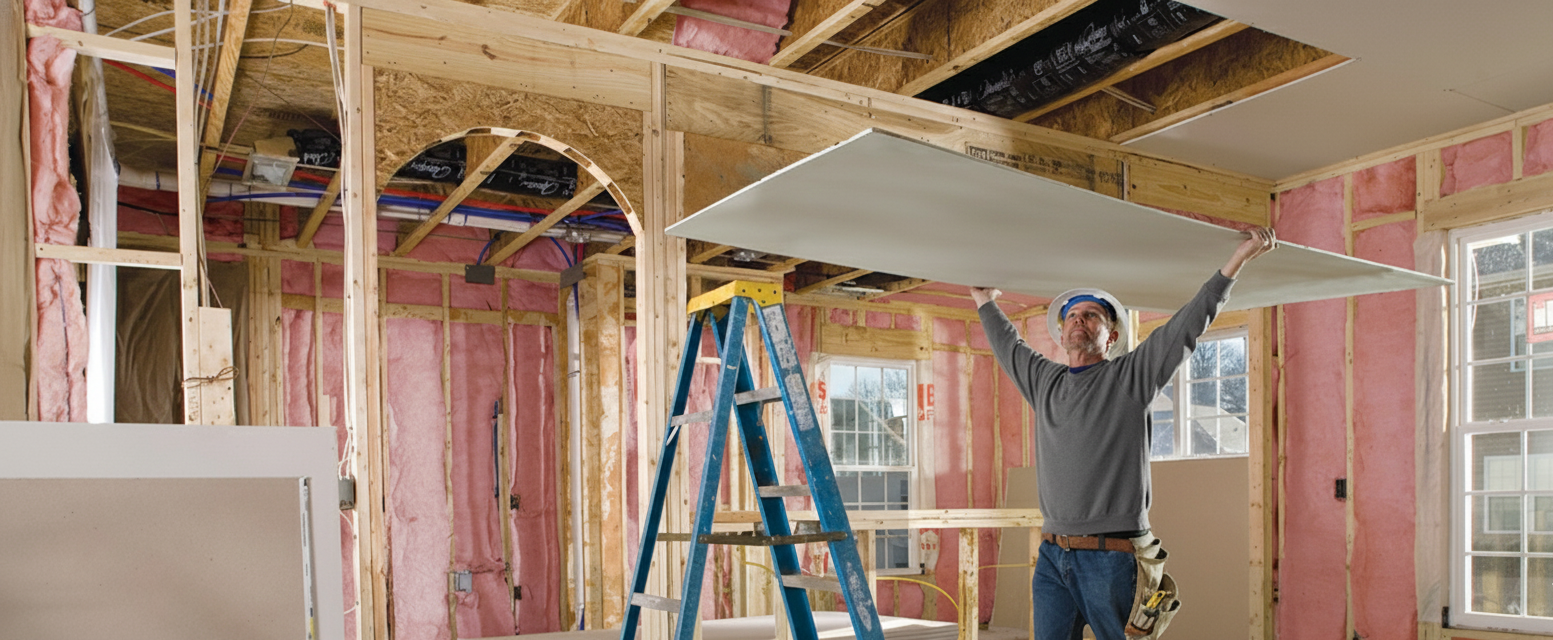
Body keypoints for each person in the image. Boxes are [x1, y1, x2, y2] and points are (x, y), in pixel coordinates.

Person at [970, 227, 1276, 640]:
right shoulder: (1044, 382)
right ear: (1061, 336)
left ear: (1111, 336)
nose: (1079, 321)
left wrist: (1235, 263)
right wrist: (984, 301)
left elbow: (1187, 325)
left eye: (1091, 315)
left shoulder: (1131, 376)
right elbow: (1009, 346)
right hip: (1052, 556)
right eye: (1072, 317)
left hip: (1112, 558)